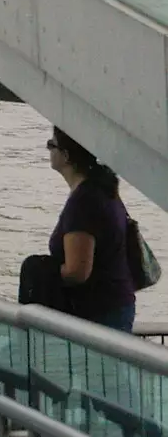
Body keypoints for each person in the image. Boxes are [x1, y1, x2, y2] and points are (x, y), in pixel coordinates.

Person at [45, 128, 136, 331]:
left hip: (98, 313)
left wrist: (41, 272)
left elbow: (77, 272)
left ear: (66, 155)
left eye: (51, 145)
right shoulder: (104, 190)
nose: (48, 150)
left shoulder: (83, 203)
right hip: (117, 303)